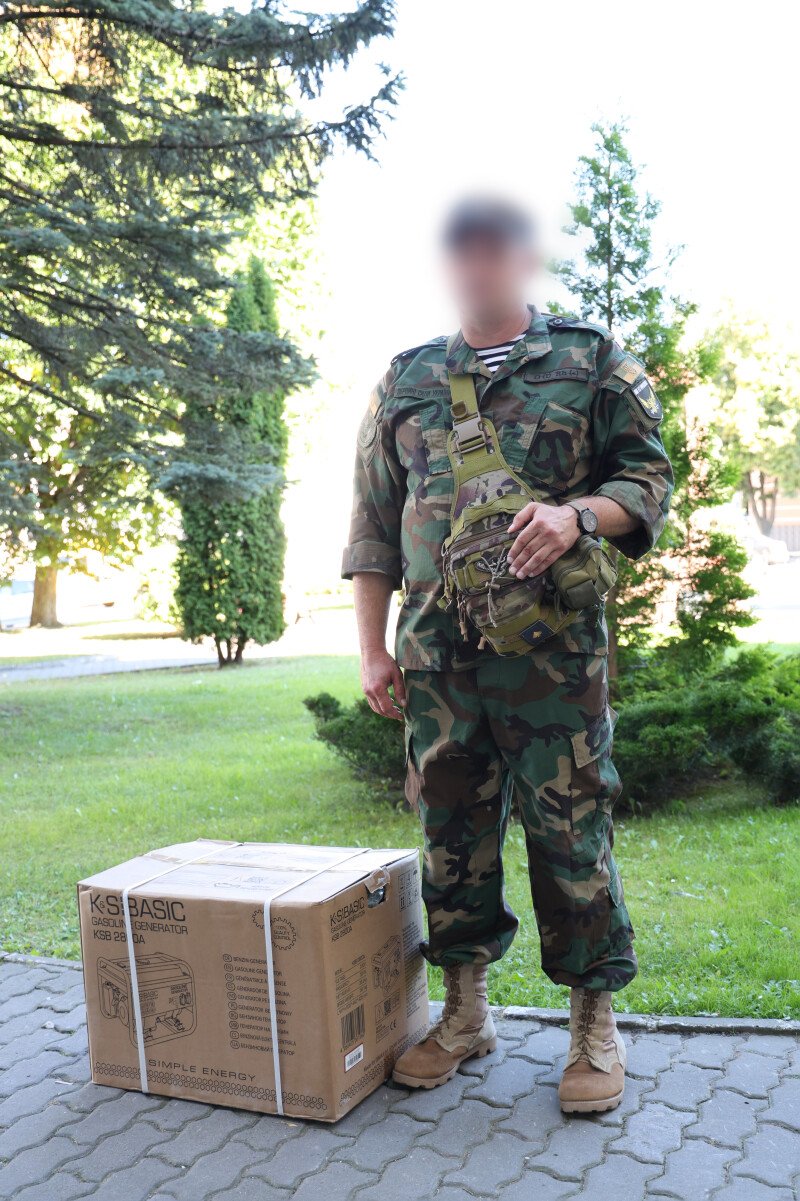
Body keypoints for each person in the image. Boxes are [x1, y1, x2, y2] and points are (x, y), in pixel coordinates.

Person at [342, 196, 673, 1113]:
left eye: (496, 249)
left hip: (553, 661)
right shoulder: (407, 377)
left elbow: (648, 478)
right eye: (463, 251)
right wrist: (371, 650)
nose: (478, 265)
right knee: (450, 836)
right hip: (438, 663)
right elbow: (372, 525)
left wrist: (576, 517)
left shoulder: (590, 361)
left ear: (526, 259)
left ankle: (593, 1023)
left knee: (572, 834)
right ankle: (466, 1012)